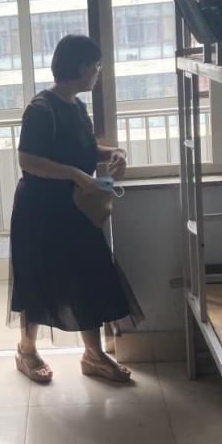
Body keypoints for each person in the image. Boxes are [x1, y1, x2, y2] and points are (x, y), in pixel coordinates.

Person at [9, 34, 143, 384]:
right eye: (96, 66)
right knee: (37, 278)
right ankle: (26, 350)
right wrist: (73, 174)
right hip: (40, 209)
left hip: (74, 208)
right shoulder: (41, 109)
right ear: (81, 67)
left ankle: (93, 355)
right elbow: (27, 160)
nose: (98, 72)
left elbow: (84, 148)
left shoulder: (76, 106)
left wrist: (114, 152)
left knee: (88, 276)